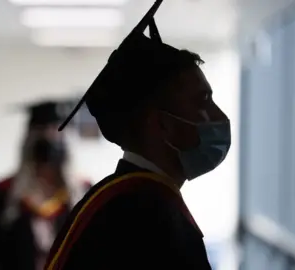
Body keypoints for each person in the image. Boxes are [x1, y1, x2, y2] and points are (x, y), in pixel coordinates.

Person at [44, 1, 231, 269]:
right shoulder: (147, 216)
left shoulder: (120, 200)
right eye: (203, 102)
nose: (219, 116)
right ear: (162, 124)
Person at [0, 100, 91, 270]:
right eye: (42, 130)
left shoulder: (84, 191)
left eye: (56, 129)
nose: (50, 136)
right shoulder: (3, 193)